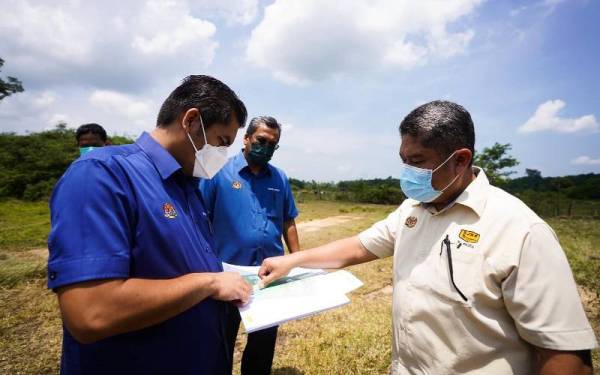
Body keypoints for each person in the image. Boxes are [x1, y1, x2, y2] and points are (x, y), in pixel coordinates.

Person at [258, 101, 597, 374]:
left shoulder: (520, 231)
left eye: (418, 162)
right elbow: (360, 245)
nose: (408, 173)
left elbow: (563, 353)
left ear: (460, 160)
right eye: (404, 161)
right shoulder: (414, 209)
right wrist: (293, 259)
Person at [47, 75, 252, 375]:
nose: (222, 155)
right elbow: (92, 312)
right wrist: (208, 283)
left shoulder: (187, 186)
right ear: (191, 121)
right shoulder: (103, 175)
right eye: (221, 142)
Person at [200, 116, 300, 374]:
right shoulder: (219, 172)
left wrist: (298, 261)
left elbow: (288, 220)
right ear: (246, 138)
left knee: (263, 343)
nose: (265, 147)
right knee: (221, 340)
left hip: (270, 275)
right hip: (227, 273)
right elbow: (200, 219)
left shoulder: (279, 178)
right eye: (261, 140)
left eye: (272, 144)